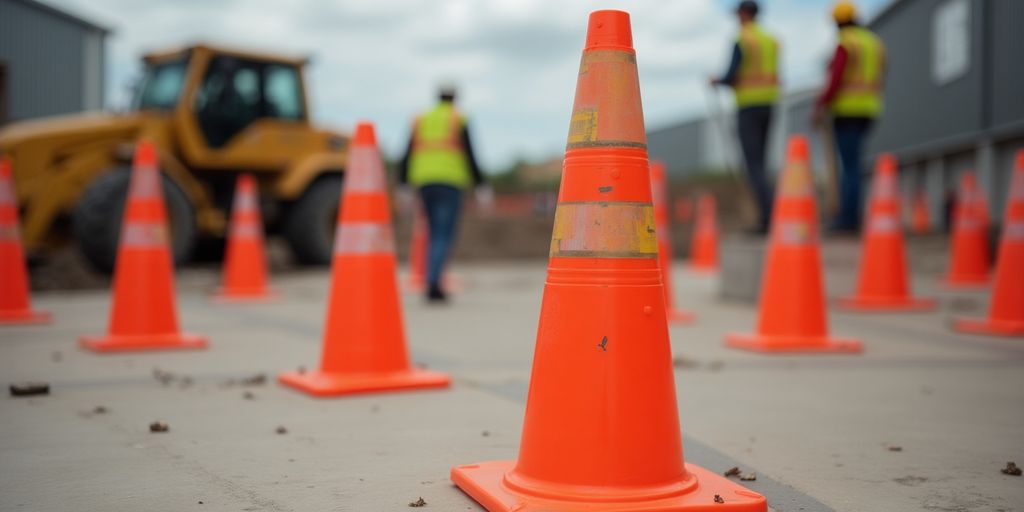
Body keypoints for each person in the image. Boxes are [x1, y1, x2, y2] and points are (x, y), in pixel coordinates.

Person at [399, 85, 492, 303]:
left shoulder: (421, 118)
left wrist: (403, 184)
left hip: (423, 181)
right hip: (449, 182)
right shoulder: (458, 118)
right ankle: (434, 282)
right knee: (443, 233)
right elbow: (470, 153)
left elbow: (407, 151)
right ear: (455, 98)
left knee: (433, 232)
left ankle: (432, 279)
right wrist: (481, 185)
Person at [813, 1, 887, 234]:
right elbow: (883, 72)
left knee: (850, 167)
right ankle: (850, 216)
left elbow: (835, 79)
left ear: (838, 22)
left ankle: (847, 220)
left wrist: (820, 105)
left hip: (847, 111)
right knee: (855, 164)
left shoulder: (847, 42)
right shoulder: (874, 43)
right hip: (869, 110)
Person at [709, 0, 780, 234]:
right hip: (769, 104)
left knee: (754, 165)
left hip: (749, 106)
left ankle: (766, 219)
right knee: (762, 162)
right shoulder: (771, 40)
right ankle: (769, 214)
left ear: (744, 13)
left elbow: (732, 76)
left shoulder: (743, 39)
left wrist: (716, 80)